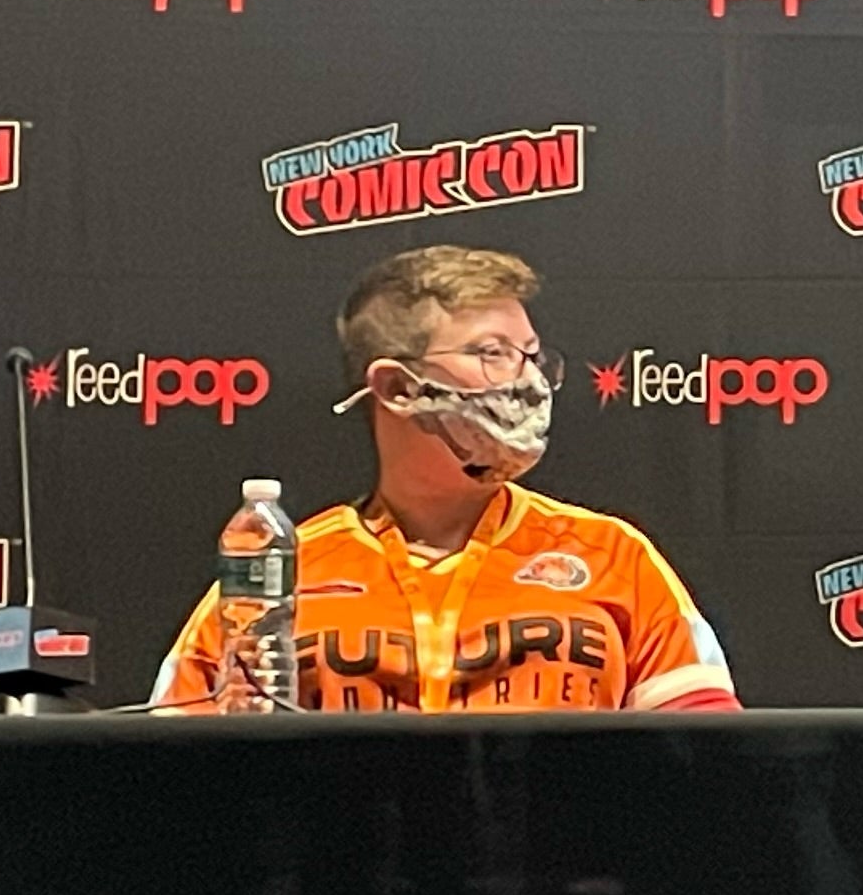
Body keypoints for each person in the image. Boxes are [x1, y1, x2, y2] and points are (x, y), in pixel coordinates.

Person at [154, 243, 738, 714]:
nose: (529, 382)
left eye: (532, 355)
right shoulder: (279, 569)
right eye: (493, 353)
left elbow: (710, 761)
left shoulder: (614, 555)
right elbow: (174, 765)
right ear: (397, 388)